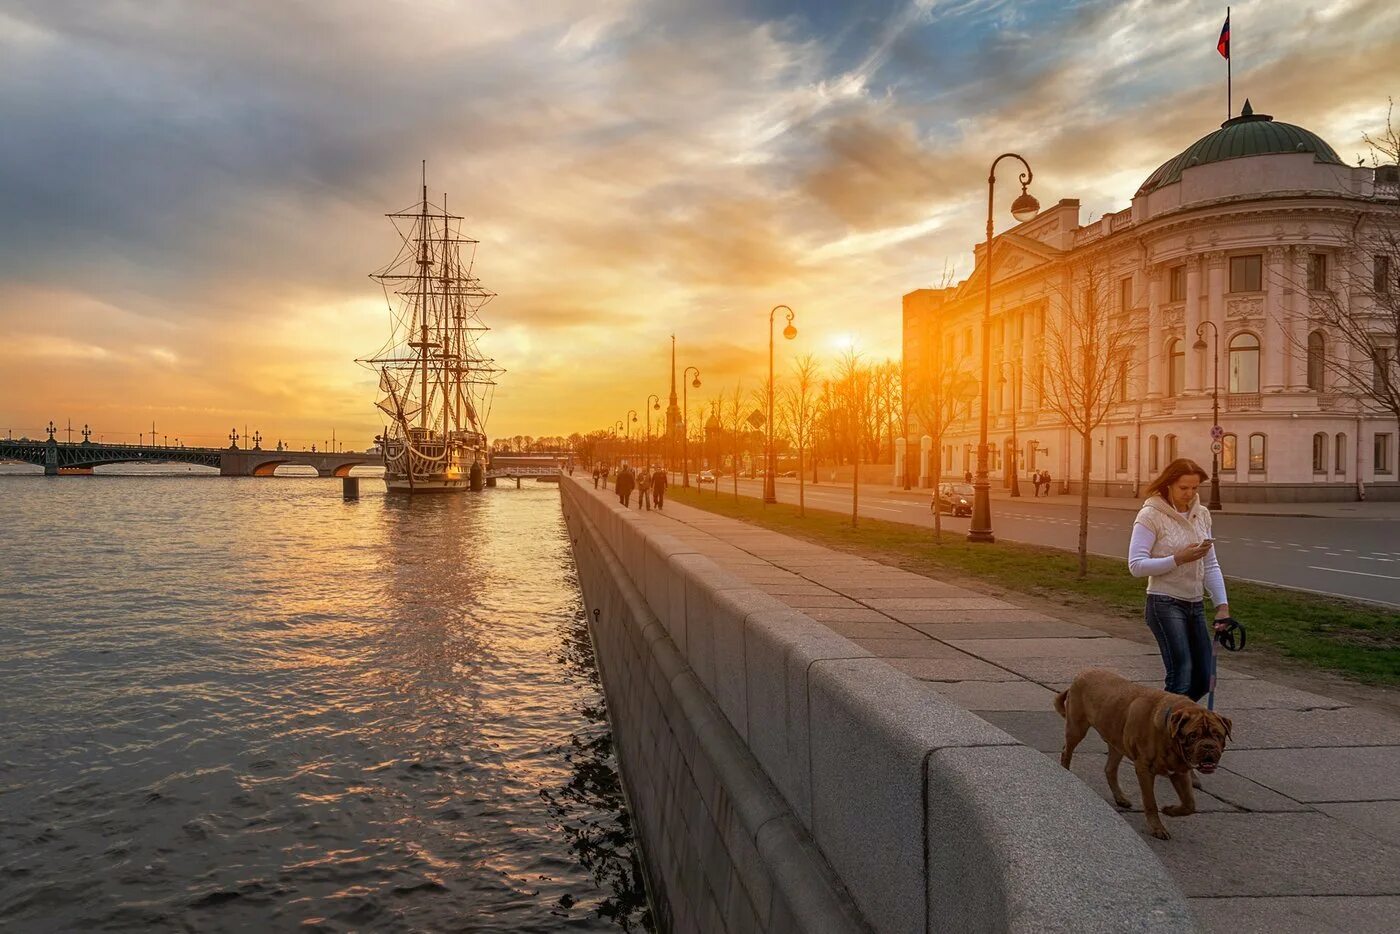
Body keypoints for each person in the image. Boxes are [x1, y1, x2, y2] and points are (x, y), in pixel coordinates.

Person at [1127, 458, 1230, 701]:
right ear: (1169, 485)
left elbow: (1211, 564)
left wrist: (1222, 606)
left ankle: (1173, 720)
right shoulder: (1150, 515)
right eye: (1184, 488)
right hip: (1164, 603)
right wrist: (1178, 558)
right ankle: (1165, 731)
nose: (1190, 493)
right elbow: (1136, 566)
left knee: (1204, 678)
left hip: (1195, 604)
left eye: (1195, 488)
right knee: (1180, 677)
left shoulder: (1202, 514)